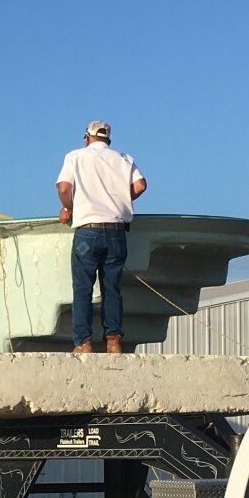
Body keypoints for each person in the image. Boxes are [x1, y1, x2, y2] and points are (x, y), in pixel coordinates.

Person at [55, 120, 147, 354]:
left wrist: (69, 208)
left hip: (88, 228)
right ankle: (113, 341)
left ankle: (84, 342)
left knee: (83, 288)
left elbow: (64, 188)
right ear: (109, 139)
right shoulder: (124, 158)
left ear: (87, 138)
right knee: (112, 288)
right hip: (116, 230)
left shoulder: (75, 156)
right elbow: (140, 185)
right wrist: (120, 202)